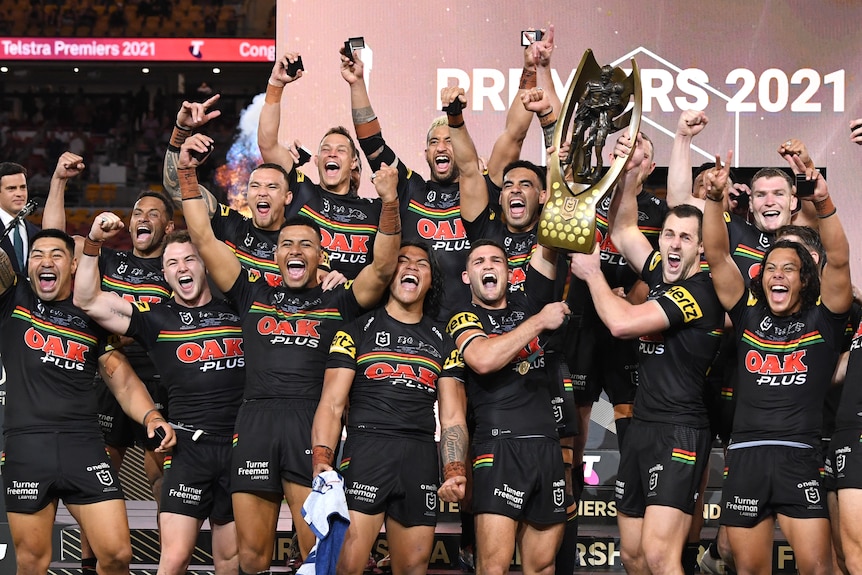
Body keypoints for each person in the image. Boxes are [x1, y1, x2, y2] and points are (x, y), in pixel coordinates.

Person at [178, 131, 401, 572]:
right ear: (275, 255)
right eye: (287, 245)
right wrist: (187, 173)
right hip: (255, 421)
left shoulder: (341, 300)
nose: (295, 251)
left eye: (306, 245)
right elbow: (203, 238)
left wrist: (390, 203)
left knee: (317, 555)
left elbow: (383, 266)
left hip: (310, 425)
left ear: (322, 256)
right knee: (253, 555)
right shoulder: (249, 291)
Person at [570, 132, 723, 575]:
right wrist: (628, 172)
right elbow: (622, 228)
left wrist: (594, 275)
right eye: (669, 235)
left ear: (700, 249)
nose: (674, 244)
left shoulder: (699, 293)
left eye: (686, 239)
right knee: (634, 556)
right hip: (641, 427)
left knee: (660, 556)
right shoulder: (661, 269)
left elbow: (621, 323)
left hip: (679, 432)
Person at [702, 151, 852, 575]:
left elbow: (839, 260)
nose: (778, 275)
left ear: (806, 278)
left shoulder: (824, 320)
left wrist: (822, 204)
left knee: (819, 570)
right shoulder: (748, 313)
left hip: (799, 459)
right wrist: (714, 201)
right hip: (746, 458)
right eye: (770, 268)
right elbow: (716, 256)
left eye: (789, 268)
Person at [0, 228, 175, 575]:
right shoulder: (12, 298)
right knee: (33, 561)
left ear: (74, 264)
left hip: (84, 445)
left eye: (56, 255)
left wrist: (151, 416)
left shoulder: (91, 314)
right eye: (37, 255)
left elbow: (121, 379)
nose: (45, 262)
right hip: (27, 446)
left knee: (116, 554)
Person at [74, 222, 244, 575]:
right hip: (188, 451)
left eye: (190, 259)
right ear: (164, 275)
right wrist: (92, 243)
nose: (183, 267)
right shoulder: (156, 319)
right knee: (175, 558)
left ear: (205, 264)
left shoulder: (239, 310)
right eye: (173, 263)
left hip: (240, 447)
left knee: (230, 560)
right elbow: (87, 300)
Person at [311, 240, 468, 575]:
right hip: (367, 451)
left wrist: (454, 471)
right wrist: (322, 460)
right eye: (401, 261)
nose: (411, 267)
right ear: (387, 273)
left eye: (421, 264)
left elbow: (453, 415)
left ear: (431, 280)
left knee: (413, 568)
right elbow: (332, 404)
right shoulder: (354, 332)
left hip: (420, 457)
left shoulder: (444, 340)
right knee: (346, 566)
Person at [446, 239, 569, 575]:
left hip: (546, 445)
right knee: (493, 567)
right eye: (479, 262)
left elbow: (548, 250)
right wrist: (540, 322)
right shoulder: (462, 318)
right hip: (499, 450)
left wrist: (566, 198)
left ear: (509, 272)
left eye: (496, 261)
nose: (488, 266)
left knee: (543, 566)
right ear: (467, 276)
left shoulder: (528, 302)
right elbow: (483, 358)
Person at [258, 52, 380, 280]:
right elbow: (267, 144)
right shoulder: (301, 190)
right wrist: (276, 85)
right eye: (325, 149)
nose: (331, 153)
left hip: (352, 310)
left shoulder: (374, 209)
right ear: (316, 160)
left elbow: (382, 270)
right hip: (300, 308)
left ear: (354, 162)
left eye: (341, 150)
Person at [162, 95, 296, 286]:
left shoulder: (301, 239)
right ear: (246, 194)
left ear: (287, 197)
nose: (262, 192)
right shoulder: (230, 225)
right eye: (255, 186)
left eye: (272, 186)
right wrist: (182, 131)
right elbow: (175, 186)